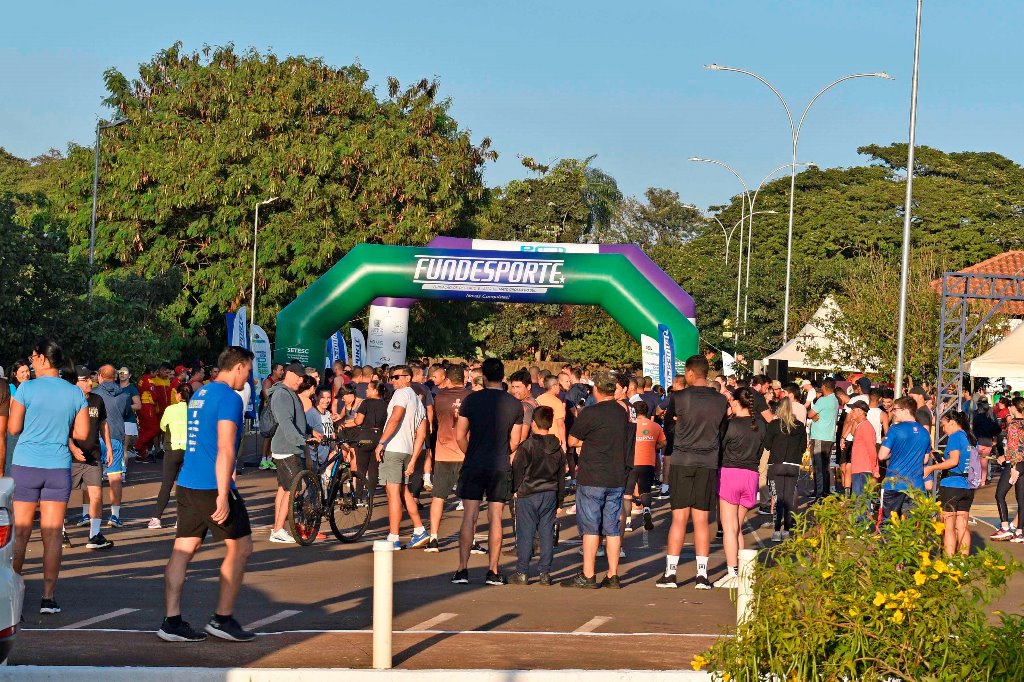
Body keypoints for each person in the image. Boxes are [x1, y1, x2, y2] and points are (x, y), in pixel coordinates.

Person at [157, 346, 255, 643]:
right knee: (242, 547)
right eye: (248, 370)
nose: (248, 377)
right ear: (237, 367)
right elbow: (225, 447)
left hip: (188, 482)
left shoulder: (200, 394)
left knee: (183, 549)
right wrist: (224, 495)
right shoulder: (229, 397)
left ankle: (171, 621)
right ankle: (222, 619)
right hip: (212, 486)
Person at [8, 339, 89, 614]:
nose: (30, 361)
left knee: (20, 534)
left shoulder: (26, 389)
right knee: (52, 535)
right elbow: (80, 434)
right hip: (57, 467)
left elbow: (13, 428)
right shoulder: (75, 392)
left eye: (33, 356)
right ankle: (47, 598)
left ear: (43, 359)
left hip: (26, 465)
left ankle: (12, 596)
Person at [658, 355, 728, 590]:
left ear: (689, 373)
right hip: (707, 461)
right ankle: (701, 575)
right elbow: (722, 431)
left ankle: (670, 574)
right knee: (701, 520)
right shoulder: (720, 401)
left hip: (682, 459)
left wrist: (681, 428)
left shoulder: (678, 397)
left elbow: (668, 427)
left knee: (679, 518)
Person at [451, 358, 523, 586]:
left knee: (469, 517)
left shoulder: (471, 400)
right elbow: (516, 441)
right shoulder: (514, 404)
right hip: (499, 465)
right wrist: (501, 451)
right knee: (495, 519)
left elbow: (460, 435)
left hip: (474, 463)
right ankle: (493, 570)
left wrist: (470, 452)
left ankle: (462, 569)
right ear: (503, 376)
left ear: (483, 376)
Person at [563, 371, 630, 589]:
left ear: (597, 390)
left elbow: (572, 440)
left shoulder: (590, 413)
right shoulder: (622, 412)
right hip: (616, 475)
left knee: (591, 527)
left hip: (592, 475)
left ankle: (588, 574)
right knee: (611, 527)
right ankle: (613, 574)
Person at [714, 388, 766, 588]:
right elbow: (761, 450)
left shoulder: (730, 424)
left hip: (730, 473)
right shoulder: (760, 425)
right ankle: (743, 572)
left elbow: (720, 445)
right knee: (737, 527)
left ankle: (732, 572)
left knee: (729, 528)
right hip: (751, 476)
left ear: (735, 402)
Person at [374, 366, 429, 550]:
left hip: (393, 448)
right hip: (406, 451)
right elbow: (422, 433)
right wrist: (413, 459)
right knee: (404, 492)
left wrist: (381, 442)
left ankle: (394, 536)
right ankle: (420, 529)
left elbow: (396, 417)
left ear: (408, 378)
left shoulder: (401, 394)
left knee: (393, 494)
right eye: (391, 377)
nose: (392, 381)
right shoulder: (417, 399)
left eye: (396, 377)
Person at [510, 406, 565, 585]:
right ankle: (545, 573)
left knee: (526, 533)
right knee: (546, 533)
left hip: (528, 493)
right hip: (550, 493)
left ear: (533, 423)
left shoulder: (528, 445)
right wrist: (560, 500)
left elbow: (518, 469)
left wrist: (514, 488)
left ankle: (522, 571)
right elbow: (561, 476)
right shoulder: (557, 448)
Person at [267, 363, 315, 544]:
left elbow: (296, 420)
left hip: (288, 447)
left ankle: (277, 528)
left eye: (303, 378)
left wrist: (310, 431)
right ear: (288, 374)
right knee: (293, 489)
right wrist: (302, 441)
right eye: (299, 377)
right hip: (287, 448)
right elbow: (286, 423)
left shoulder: (288, 393)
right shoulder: (282, 394)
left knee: (284, 488)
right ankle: (279, 529)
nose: (301, 380)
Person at [70, 366, 115, 550]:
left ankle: (95, 535)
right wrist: (72, 447)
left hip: (93, 457)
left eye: (91, 378)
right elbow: (62, 428)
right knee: (61, 496)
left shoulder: (98, 400)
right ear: (76, 382)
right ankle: (61, 532)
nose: (90, 382)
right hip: (71, 458)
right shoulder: (69, 401)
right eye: (85, 380)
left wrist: (109, 447)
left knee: (96, 495)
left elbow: (103, 424)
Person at [425, 364, 469, 552]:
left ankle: (433, 537)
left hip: (443, 452)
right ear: (464, 378)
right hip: (466, 452)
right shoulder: (471, 397)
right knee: (470, 500)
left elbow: (435, 418)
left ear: (448, 379)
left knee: (438, 497)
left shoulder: (440, 397)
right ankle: (471, 538)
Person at [925, 411, 977, 556]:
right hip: (968, 485)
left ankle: (949, 561)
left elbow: (953, 461)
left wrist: (931, 467)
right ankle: (963, 561)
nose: (943, 429)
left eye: (944, 424)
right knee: (962, 525)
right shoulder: (971, 437)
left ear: (952, 422)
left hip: (952, 485)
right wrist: (941, 460)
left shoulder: (955, 437)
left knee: (948, 526)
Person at [877, 396, 931, 524]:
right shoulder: (924, 433)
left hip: (894, 484)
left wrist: (894, 452)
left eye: (895, 409)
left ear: (906, 411)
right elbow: (925, 460)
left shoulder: (895, 429)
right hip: (916, 485)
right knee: (911, 526)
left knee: (888, 523)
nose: (893, 412)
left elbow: (881, 456)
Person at [92, 365, 131, 527]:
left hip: (96, 437)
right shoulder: (124, 395)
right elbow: (124, 413)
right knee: (115, 477)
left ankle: (90, 514)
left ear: (100, 376)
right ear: (115, 377)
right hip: (115, 436)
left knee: (93, 478)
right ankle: (115, 515)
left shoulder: (94, 394)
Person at [149, 384, 192, 529]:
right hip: (189, 451)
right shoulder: (194, 410)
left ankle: (156, 518)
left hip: (172, 450)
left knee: (166, 485)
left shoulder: (170, 409)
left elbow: (162, 426)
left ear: (179, 395)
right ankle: (181, 519)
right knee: (185, 486)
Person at [765, 397, 806, 541]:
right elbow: (803, 447)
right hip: (793, 465)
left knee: (777, 498)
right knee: (788, 499)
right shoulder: (800, 426)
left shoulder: (774, 424)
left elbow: (767, 445)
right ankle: (787, 531)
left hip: (776, 464)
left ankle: (777, 531)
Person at [624, 401, 664, 534]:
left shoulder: (630, 426)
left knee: (628, 494)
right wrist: (653, 446)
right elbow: (663, 442)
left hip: (632, 462)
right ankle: (646, 509)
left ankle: (628, 522)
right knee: (645, 490)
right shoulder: (656, 426)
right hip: (648, 463)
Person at [990, 397, 1024, 542]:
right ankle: (1019, 532)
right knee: (1021, 500)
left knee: (1000, 494)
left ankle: (1005, 528)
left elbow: (1012, 447)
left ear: (1014, 408)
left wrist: (1006, 460)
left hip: (1014, 464)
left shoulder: (1013, 425)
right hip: (1023, 463)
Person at [352, 380, 387, 500]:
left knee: (361, 468)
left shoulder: (365, 403)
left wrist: (355, 419)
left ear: (375, 391)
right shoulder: (386, 404)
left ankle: (358, 496)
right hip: (379, 437)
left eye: (369, 388)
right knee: (373, 469)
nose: (366, 390)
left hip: (365, 436)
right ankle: (370, 496)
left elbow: (358, 421)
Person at [808, 378, 839, 499]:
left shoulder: (823, 400)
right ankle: (823, 491)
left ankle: (819, 494)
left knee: (818, 466)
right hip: (829, 437)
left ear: (824, 387)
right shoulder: (835, 400)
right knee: (825, 466)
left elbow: (810, 413)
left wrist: (815, 415)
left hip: (819, 436)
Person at [848, 401, 879, 498]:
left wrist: (875, 468)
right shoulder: (860, 425)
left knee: (861, 501)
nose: (850, 413)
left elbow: (871, 449)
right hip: (859, 469)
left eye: (853, 410)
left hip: (863, 470)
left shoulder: (866, 427)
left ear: (861, 412)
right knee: (859, 501)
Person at [258, 363, 285, 470]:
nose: (282, 372)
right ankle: (263, 460)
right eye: (281, 370)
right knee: (267, 436)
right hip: (269, 412)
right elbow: (267, 396)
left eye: (283, 370)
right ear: (274, 370)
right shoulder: (268, 382)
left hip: (277, 412)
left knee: (274, 436)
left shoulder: (280, 382)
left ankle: (269, 459)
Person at [536, 375, 567, 451]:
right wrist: (564, 443)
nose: (560, 387)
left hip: (539, 438)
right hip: (554, 441)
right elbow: (560, 425)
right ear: (554, 386)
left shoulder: (538, 399)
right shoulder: (557, 402)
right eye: (559, 385)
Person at [117, 367, 142, 457]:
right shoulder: (115, 387)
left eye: (125, 372)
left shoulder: (132, 388)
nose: (122, 374)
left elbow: (138, 405)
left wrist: (124, 407)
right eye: (120, 372)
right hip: (116, 421)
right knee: (115, 447)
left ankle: (123, 470)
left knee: (123, 448)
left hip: (128, 421)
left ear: (129, 375)